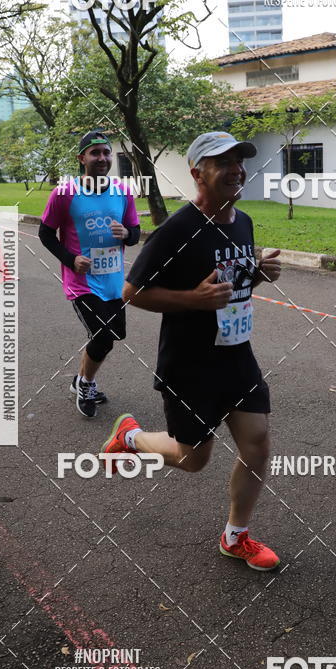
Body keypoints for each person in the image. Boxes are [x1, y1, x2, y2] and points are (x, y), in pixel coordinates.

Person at [100, 131, 282, 570]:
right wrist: (193, 300)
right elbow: (132, 292)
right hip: (190, 364)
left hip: (236, 354)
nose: (236, 170)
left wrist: (257, 274)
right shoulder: (177, 230)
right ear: (198, 173)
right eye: (224, 163)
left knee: (257, 445)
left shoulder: (242, 222)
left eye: (239, 161)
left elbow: (229, 286)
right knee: (192, 458)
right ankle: (130, 437)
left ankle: (235, 537)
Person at [39, 130, 140, 417]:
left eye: (106, 152)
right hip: (82, 283)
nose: (102, 158)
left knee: (109, 336)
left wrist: (127, 234)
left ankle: (79, 380)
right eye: (95, 153)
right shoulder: (64, 193)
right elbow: (45, 233)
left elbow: (135, 233)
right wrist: (70, 260)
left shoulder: (122, 192)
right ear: (81, 158)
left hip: (114, 282)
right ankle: (86, 385)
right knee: (103, 336)